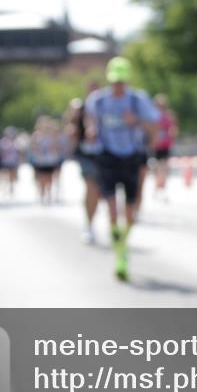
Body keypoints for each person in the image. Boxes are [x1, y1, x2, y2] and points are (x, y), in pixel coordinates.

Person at [84, 56, 159, 281]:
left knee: (130, 210)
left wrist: (135, 120)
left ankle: (123, 242)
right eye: (115, 81)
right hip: (107, 157)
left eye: (122, 81)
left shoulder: (138, 100)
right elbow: (90, 122)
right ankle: (120, 254)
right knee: (111, 206)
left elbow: (154, 127)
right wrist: (91, 131)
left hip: (132, 158)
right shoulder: (97, 100)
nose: (118, 86)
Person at [67, 88, 103, 244]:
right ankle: (89, 225)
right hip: (86, 156)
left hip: (104, 156)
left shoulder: (106, 109)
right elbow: (71, 133)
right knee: (91, 188)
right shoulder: (79, 111)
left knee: (98, 191)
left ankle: (92, 215)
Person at [151, 94, 178, 202]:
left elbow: (174, 128)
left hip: (166, 145)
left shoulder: (169, 115)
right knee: (157, 168)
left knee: (164, 167)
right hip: (156, 145)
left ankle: (162, 188)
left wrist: (173, 134)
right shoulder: (152, 115)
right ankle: (158, 187)